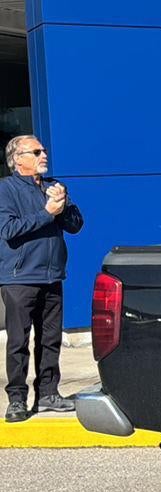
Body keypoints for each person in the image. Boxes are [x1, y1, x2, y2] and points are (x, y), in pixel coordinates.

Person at [1, 135, 84, 423]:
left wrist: (64, 206)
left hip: (52, 276)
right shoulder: (6, 189)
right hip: (19, 277)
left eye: (44, 150)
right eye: (36, 151)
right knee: (18, 341)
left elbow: (75, 226)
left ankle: (48, 393)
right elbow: (9, 230)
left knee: (50, 339)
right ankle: (16, 399)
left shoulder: (53, 186)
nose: (43, 155)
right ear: (17, 159)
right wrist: (46, 213)